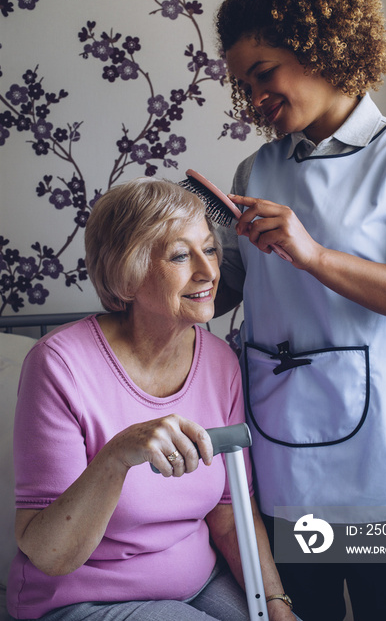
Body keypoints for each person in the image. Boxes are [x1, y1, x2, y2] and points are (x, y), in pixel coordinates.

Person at [214, 0, 386, 621]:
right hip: (289, 454)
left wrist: (312, 253)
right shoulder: (254, 169)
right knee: (306, 612)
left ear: (318, 45)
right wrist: (166, 263)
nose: (256, 99)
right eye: (245, 85)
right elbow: (224, 293)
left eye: (264, 73)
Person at [7, 178, 297, 621]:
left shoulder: (221, 362)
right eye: (180, 256)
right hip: (83, 599)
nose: (208, 271)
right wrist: (119, 455)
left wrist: (275, 603)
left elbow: (228, 509)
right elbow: (50, 555)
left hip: (198, 584)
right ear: (129, 271)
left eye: (210, 249)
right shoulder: (58, 365)